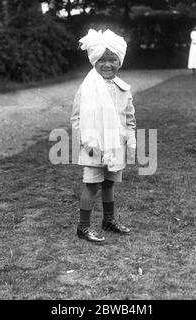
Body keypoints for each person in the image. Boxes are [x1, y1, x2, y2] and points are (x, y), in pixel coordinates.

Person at [70, 29, 137, 243]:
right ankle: (83, 227)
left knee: (109, 183)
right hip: (94, 144)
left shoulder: (123, 89)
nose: (107, 65)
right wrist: (86, 142)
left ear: (120, 61)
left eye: (112, 60)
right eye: (102, 60)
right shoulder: (87, 88)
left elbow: (129, 118)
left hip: (115, 144)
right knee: (92, 185)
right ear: (94, 61)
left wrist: (129, 140)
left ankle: (108, 220)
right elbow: (77, 118)